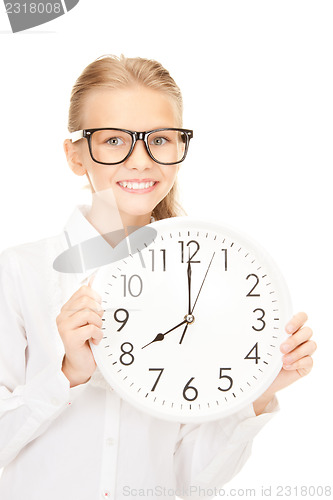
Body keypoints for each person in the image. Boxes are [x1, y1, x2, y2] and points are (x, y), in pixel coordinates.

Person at [0, 55, 316, 500]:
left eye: (160, 140)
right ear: (75, 155)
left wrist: (258, 391)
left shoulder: (200, 287)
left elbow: (191, 478)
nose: (140, 161)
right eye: (113, 140)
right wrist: (66, 373)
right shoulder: (19, 273)